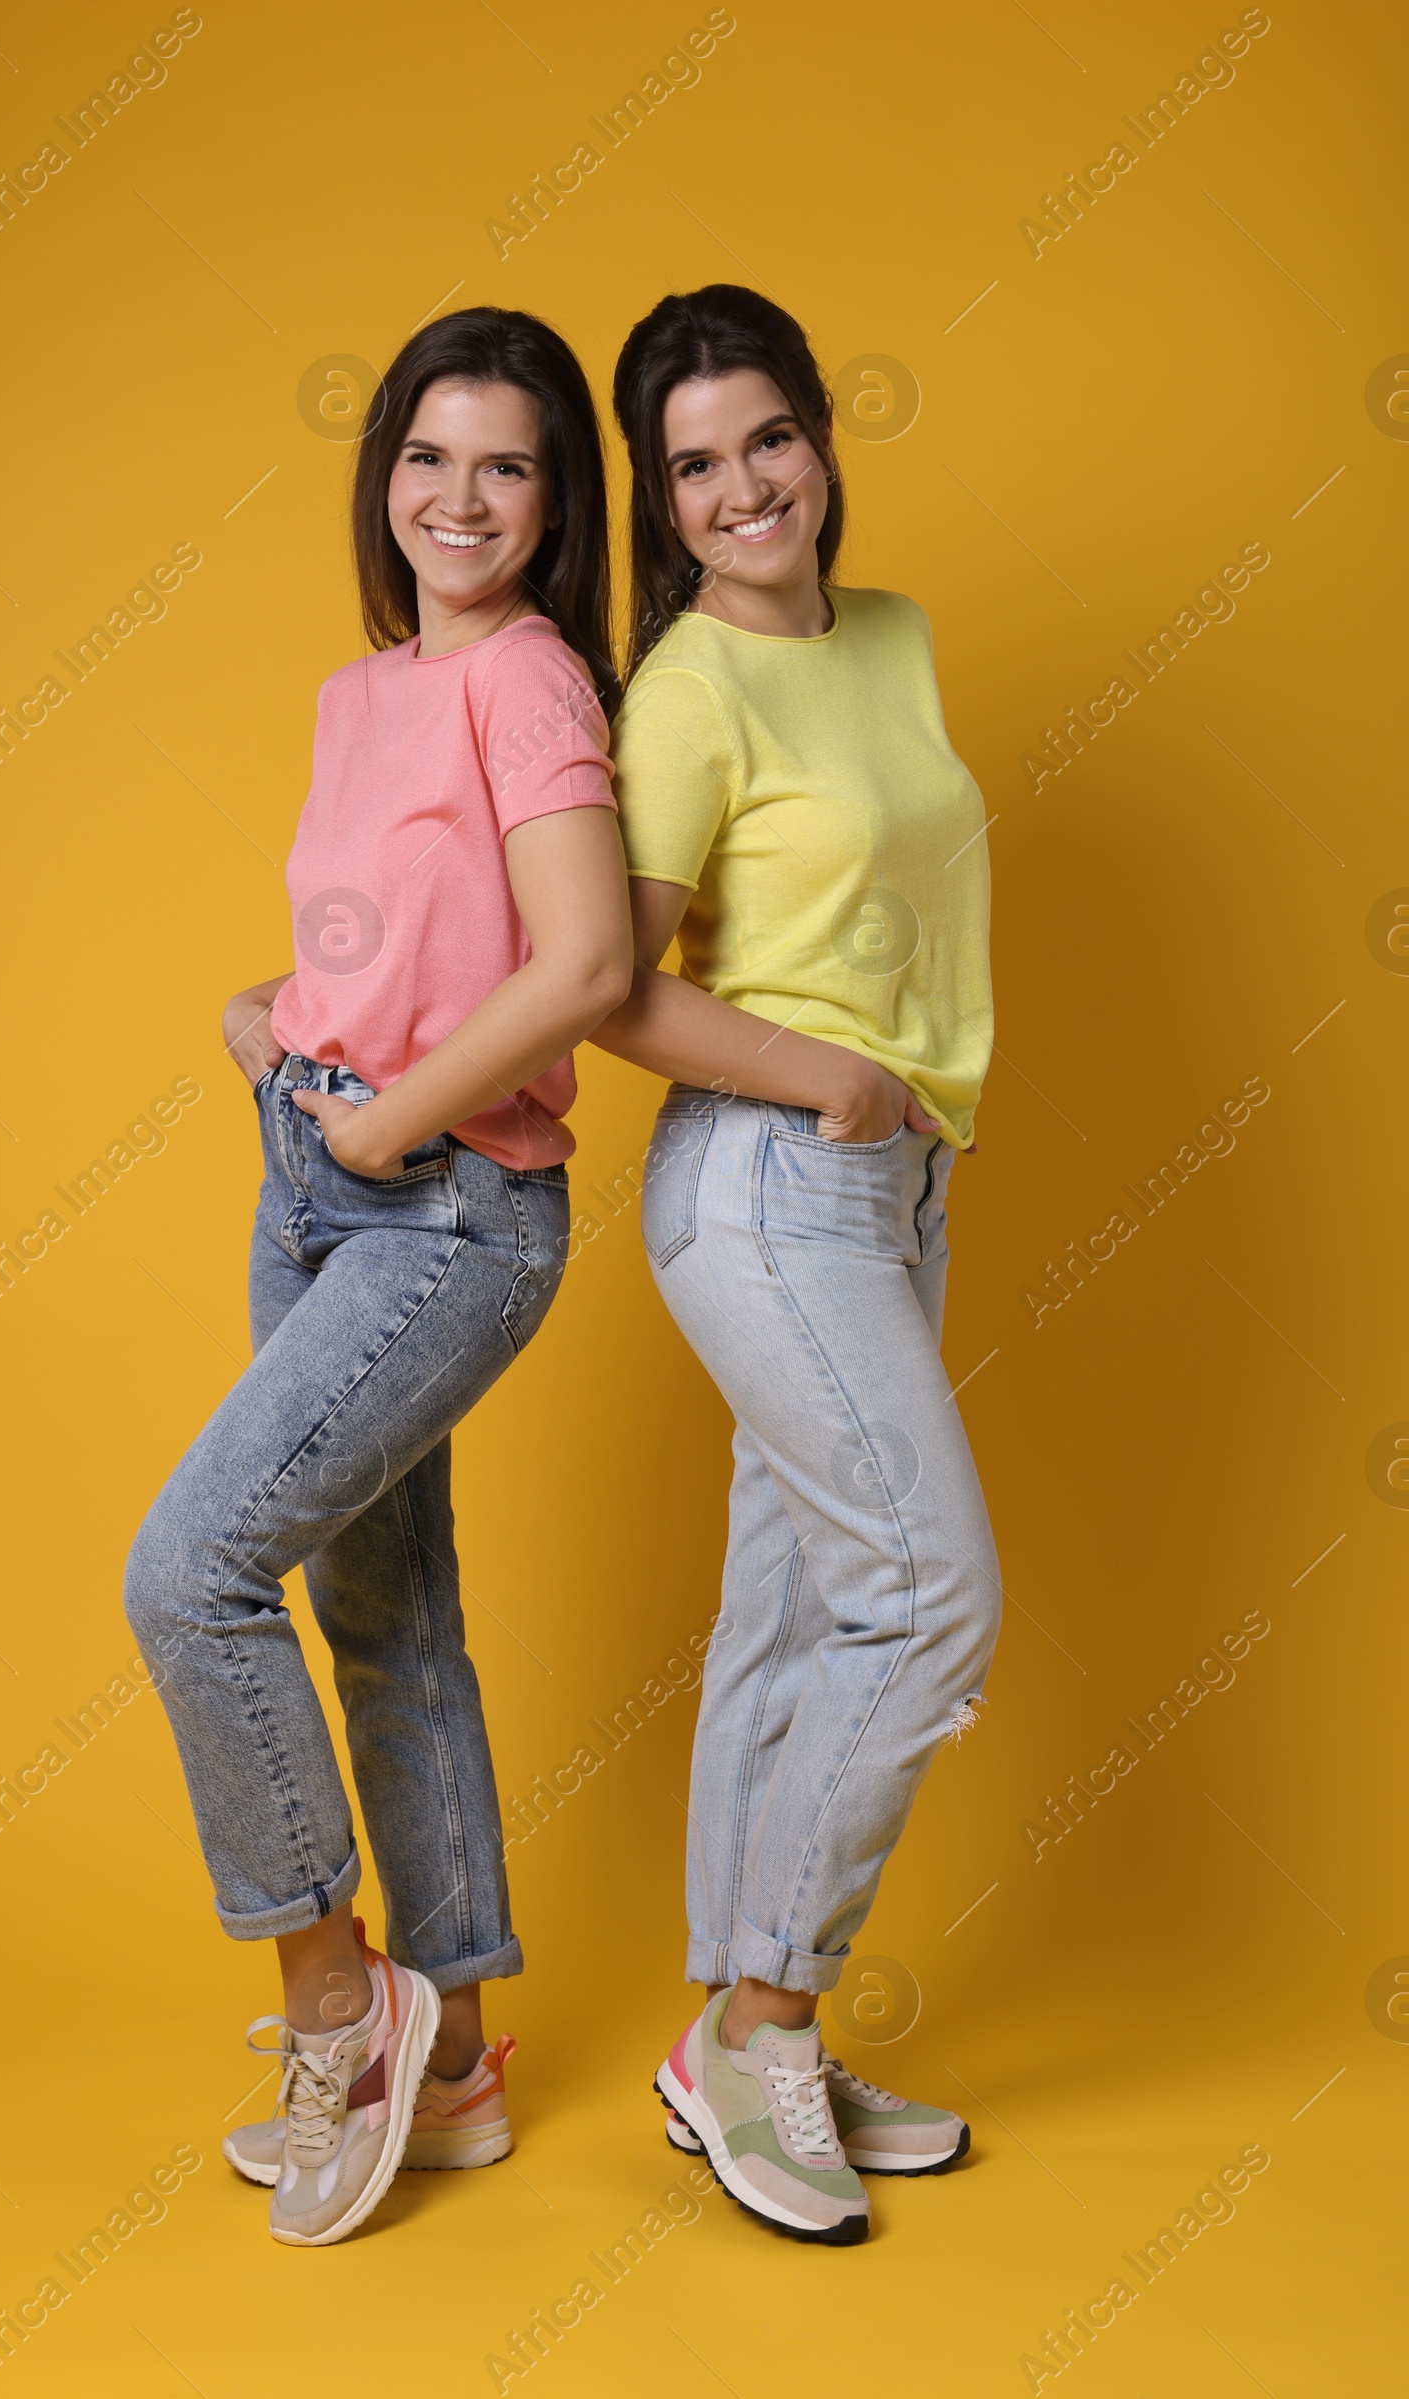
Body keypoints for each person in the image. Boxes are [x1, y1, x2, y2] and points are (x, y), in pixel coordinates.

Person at [124, 306, 630, 2248]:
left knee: (189, 1572)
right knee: (390, 1630)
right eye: (428, 456)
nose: (458, 498)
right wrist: (277, 1026)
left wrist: (374, 1116)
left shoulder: (527, 681)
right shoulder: (361, 693)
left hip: (446, 1204)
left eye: (504, 464)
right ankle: (470, 2071)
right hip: (317, 1169)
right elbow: (393, 932)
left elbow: (580, 965)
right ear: (383, 476)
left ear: (552, 499)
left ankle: (340, 2002)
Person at [592, 284, 1002, 2246]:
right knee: (926, 1603)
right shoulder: (680, 691)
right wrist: (837, 1077)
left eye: (764, 438)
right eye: (692, 466)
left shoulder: (891, 638)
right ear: (659, 506)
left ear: (819, 438)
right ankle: (762, 2017)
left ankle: (718, 2039)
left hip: (890, 1192)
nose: (740, 486)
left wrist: (897, 1104)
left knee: (791, 1611)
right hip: (759, 1190)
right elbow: (615, 994)